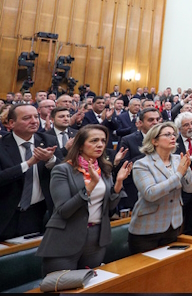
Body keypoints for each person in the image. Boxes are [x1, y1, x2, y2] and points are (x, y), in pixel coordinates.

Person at [36, 125, 132, 275]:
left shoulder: (104, 169)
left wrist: (118, 183)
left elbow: (109, 207)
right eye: (94, 140)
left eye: (102, 140)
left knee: (90, 286)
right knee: (61, 287)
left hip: (96, 237)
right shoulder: (63, 170)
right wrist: (90, 186)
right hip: (65, 236)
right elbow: (64, 210)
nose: (100, 144)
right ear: (80, 145)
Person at [128, 122, 192, 254]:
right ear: (154, 141)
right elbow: (150, 193)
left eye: (174, 134)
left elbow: (191, 188)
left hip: (173, 224)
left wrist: (186, 171)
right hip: (147, 229)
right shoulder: (142, 164)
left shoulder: (178, 160)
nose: (173, 137)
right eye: (167, 134)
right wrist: (178, 175)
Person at [0, 105, 60, 240]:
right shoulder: (2, 145)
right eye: (27, 118)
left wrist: (51, 160)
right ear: (11, 123)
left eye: (36, 117)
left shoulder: (47, 140)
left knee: (31, 255)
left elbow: (65, 169)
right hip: (6, 212)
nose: (34, 121)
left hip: (38, 212)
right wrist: (28, 164)